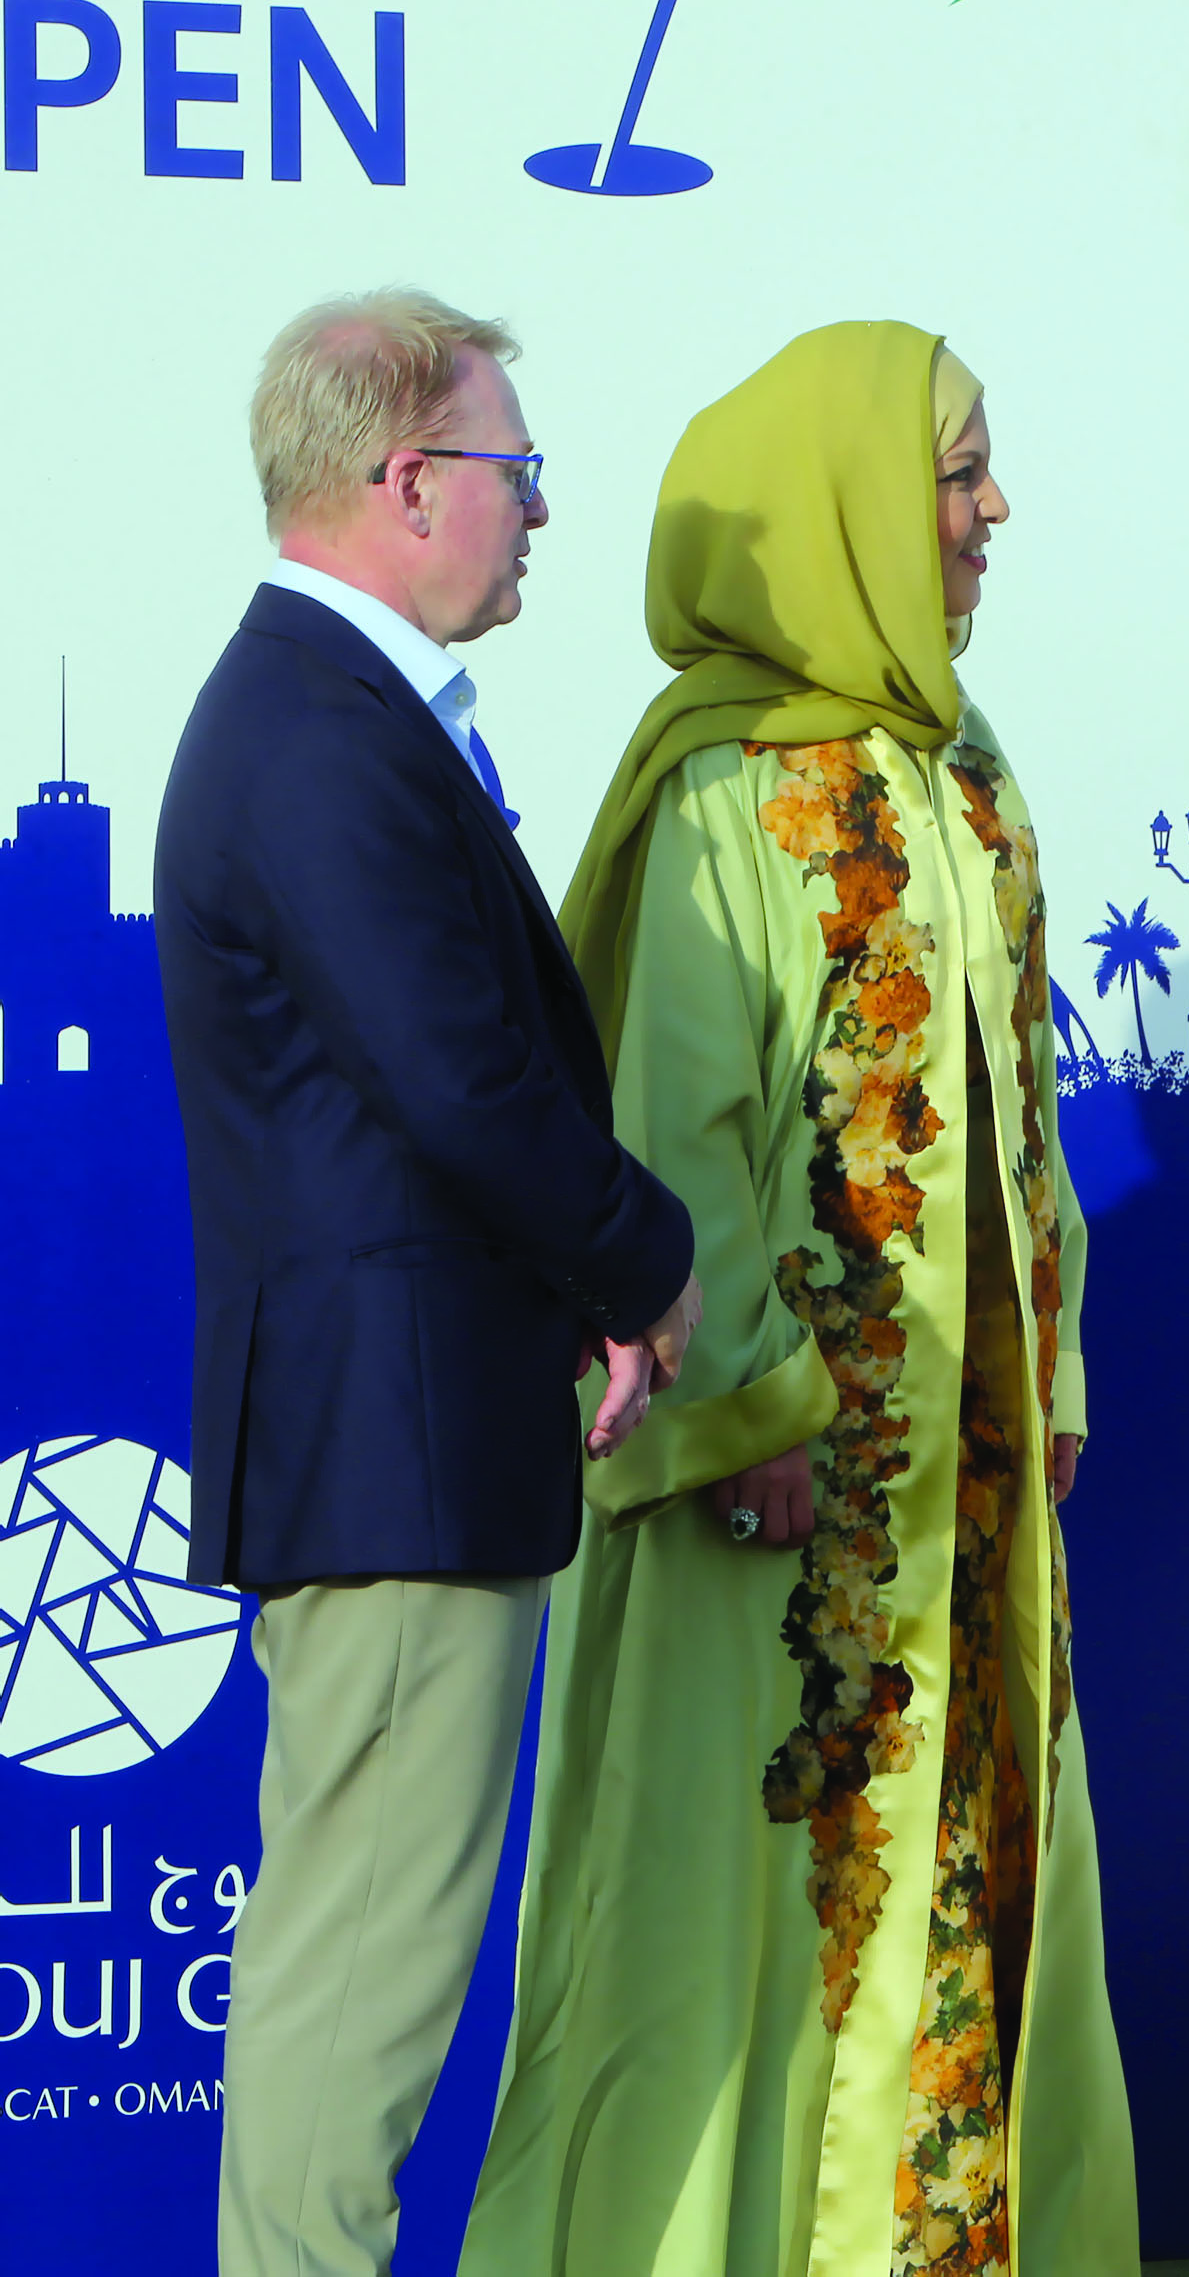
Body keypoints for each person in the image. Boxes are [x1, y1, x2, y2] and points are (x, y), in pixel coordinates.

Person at [459, 322, 1134, 2277]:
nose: (993, 511)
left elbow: (1023, 1116)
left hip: (961, 1504)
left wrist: (1049, 1370)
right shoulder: (726, 788)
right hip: (772, 1495)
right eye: (956, 473)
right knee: (731, 1931)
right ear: (847, 508)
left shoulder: (963, 767)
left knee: (969, 1883)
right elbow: (680, 1121)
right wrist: (748, 1409)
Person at [156, 288, 702, 2277]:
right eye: (516, 468)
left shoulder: (329, 712)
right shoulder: (319, 728)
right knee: (360, 1979)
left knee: (355, 1962)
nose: (538, 509)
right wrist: (646, 1262)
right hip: (395, 1456)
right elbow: (461, 1079)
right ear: (406, 481)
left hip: (411, 1436)